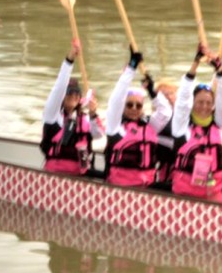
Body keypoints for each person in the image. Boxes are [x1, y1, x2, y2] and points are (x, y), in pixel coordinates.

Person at [169, 45, 222, 205]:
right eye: (200, 102)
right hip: (185, 197)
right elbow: (183, 99)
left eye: (208, 103)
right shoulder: (181, 127)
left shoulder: (218, 124)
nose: (204, 107)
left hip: (212, 195)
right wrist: (195, 64)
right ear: (193, 103)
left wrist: (219, 68)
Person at [103, 48, 168, 188]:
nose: (134, 108)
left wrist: (152, 92)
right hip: (119, 188)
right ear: (123, 106)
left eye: (138, 106)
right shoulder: (115, 126)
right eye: (129, 104)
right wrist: (131, 68)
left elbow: (166, 112)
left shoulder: (150, 126)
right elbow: (115, 100)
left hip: (147, 187)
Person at [41, 38, 102, 176]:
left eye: (77, 93)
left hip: (80, 174)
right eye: (69, 93)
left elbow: (98, 134)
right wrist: (70, 59)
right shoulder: (52, 115)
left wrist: (93, 113)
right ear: (62, 96)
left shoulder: (84, 119)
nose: (74, 96)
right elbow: (59, 87)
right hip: (55, 174)